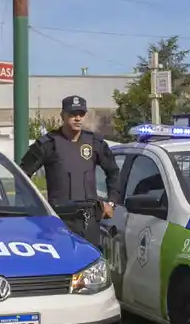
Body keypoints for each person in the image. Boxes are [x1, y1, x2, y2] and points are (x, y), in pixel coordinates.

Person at [18, 95, 122, 245]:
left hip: (89, 219)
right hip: (58, 219)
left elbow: (113, 172)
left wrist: (111, 203)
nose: (77, 118)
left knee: (91, 264)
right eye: (72, 114)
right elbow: (22, 176)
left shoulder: (94, 143)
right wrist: (36, 208)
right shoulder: (48, 144)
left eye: (81, 114)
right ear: (62, 116)